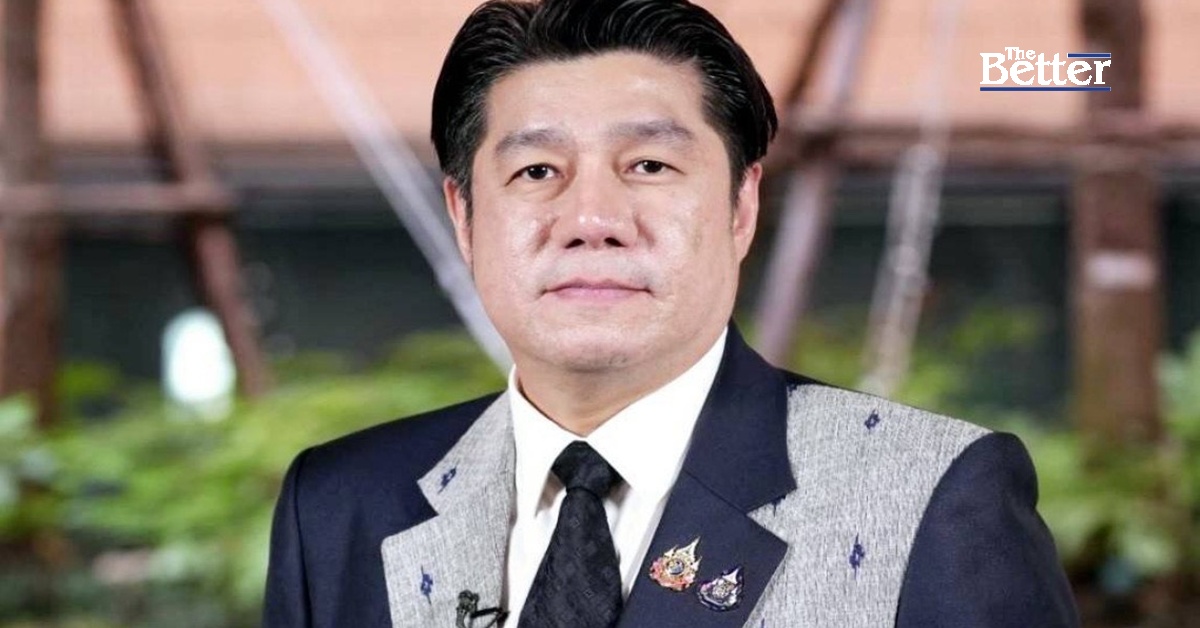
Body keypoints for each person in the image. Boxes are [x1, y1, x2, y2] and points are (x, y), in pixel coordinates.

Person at [263, 0, 1080, 626]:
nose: (592, 219)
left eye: (649, 165)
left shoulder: (931, 496)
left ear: (741, 206)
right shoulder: (340, 508)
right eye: (537, 171)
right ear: (464, 217)